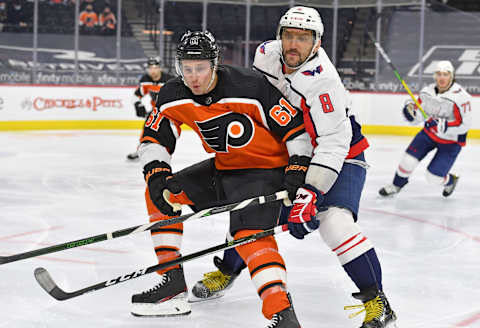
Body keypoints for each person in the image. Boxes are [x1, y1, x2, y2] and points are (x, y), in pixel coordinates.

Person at [191, 6, 398, 328]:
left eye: (303, 38)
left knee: (334, 222)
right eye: (288, 35)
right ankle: (229, 270)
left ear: (317, 43)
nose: (293, 44)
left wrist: (310, 191)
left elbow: (333, 141)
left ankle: (378, 302)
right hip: (291, 150)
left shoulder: (324, 82)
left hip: (339, 155)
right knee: (249, 209)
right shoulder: (266, 55)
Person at [133, 30, 313, 328]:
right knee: (161, 193)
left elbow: (294, 130)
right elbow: (153, 138)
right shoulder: (172, 94)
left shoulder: (250, 86)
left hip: (265, 171)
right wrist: (156, 171)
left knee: (249, 238)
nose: (194, 77)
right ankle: (171, 281)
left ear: (215, 64)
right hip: (224, 168)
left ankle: (281, 312)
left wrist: (297, 168)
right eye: (186, 69)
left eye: (200, 68)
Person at [379, 60, 472, 198]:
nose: (442, 78)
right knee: (407, 161)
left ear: (451, 76)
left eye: (445, 74)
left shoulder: (461, 98)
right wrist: (410, 114)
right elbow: (418, 116)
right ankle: (396, 185)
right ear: (435, 76)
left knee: (433, 177)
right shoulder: (426, 93)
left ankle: (451, 181)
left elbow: (464, 125)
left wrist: (444, 125)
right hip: (429, 135)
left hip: (451, 142)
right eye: (439, 74)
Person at [126, 57, 174, 161]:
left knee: (168, 131)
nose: (153, 70)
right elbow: (136, 96)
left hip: (170, 109)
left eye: (155, 67)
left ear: (160, 68)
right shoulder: (145, 80)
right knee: (148, 127)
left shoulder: (169, 80)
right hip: (157, 110)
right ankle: (141, 150)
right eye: (150, 68)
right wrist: (138, 105)